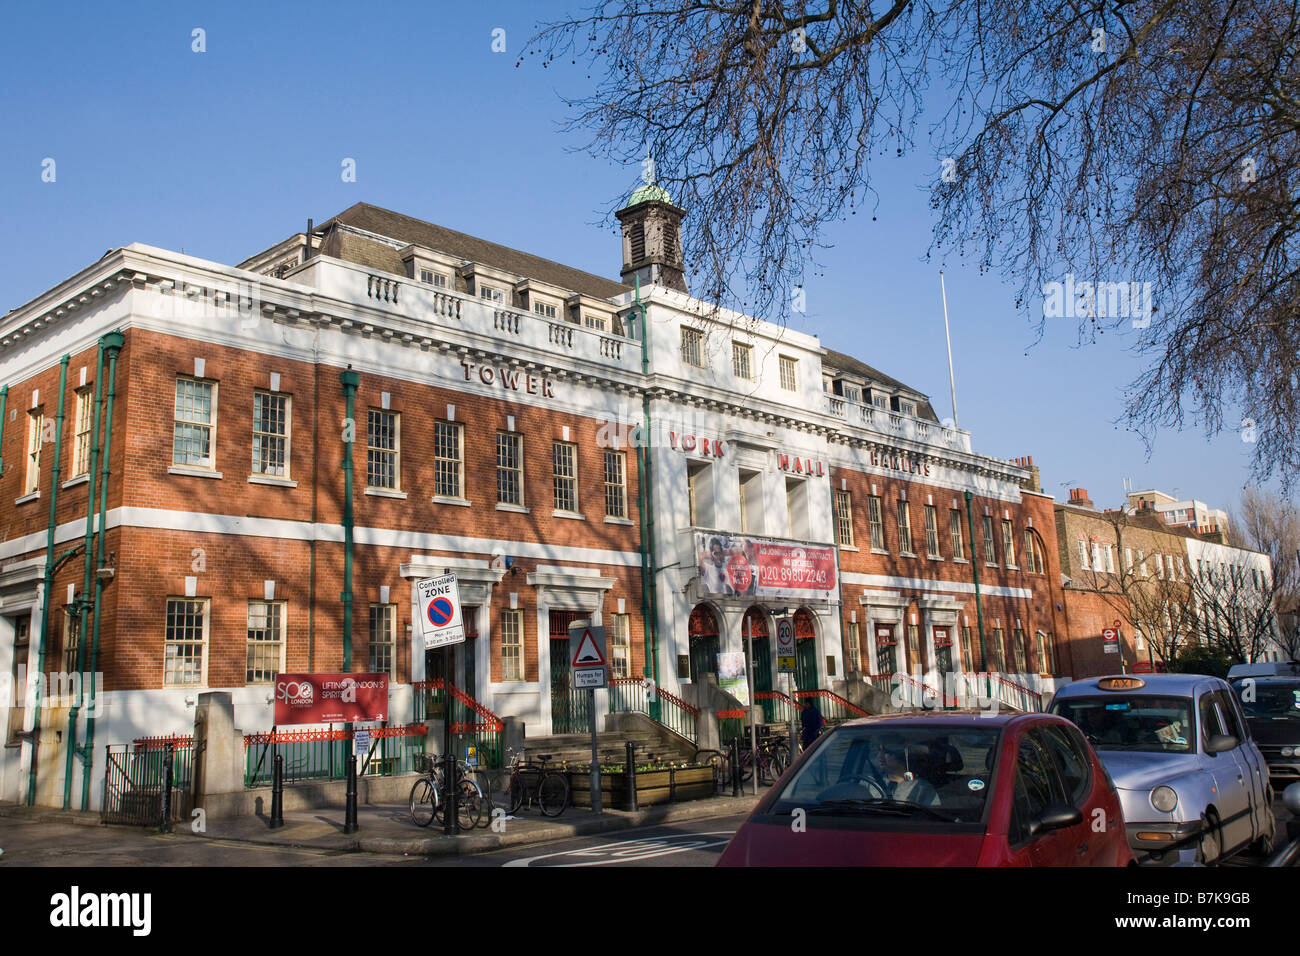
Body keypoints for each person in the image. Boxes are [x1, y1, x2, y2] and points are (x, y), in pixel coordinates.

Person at [875, 735, 941, 807]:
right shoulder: (871, 782)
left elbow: (931, 814)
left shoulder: (922, 788)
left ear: (902, 755)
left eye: (886, 752)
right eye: (879, 750)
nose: (879, 756)